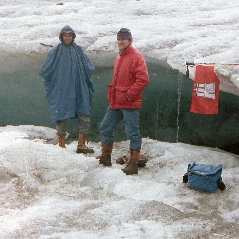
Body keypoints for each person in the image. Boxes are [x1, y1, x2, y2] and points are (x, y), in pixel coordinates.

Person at [98, 28, 149, 175]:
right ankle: (106, 157)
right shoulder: (120, 56)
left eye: (124, 39)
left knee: (132, 132)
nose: (120, 41)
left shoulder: (136, 57)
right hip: (116, 100)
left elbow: (143, 79)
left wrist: (129, 95)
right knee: (105, 127)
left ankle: (133, 164)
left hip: (128, 102)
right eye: (119, 39)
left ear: (130, 41)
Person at [40, 25, 95, 153]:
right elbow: (46, 70)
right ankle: (61, 145)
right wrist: (55, 82)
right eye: (65, 35)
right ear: (61, 36)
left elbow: (88, 67)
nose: (67, 38)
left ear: (73, 36)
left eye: (70, 35)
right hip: (62, 88)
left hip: (79, 88)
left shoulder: (78, 50)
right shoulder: (56, 51)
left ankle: (81, 145)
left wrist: (84, 82)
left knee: (84, 114)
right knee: (61, 114)